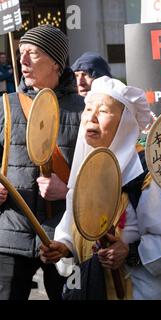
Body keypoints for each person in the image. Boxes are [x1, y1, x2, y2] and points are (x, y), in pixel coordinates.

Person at [39, 76, 161, 300]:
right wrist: (63, 246)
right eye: (87, 109)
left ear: (124, 122)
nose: (91, 118)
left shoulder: (145, 174)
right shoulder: (84, 174)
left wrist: (130, 252)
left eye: (103, 111)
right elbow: (71, 226)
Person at [0, 25, 84, 300]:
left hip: (65, 239)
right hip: (10, 237)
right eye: (21, 53)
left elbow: (101, 178)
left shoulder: (85, 110)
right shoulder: (6, 106)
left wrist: (69, 191)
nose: (23, 61)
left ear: (56, 63)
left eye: (33, 53)